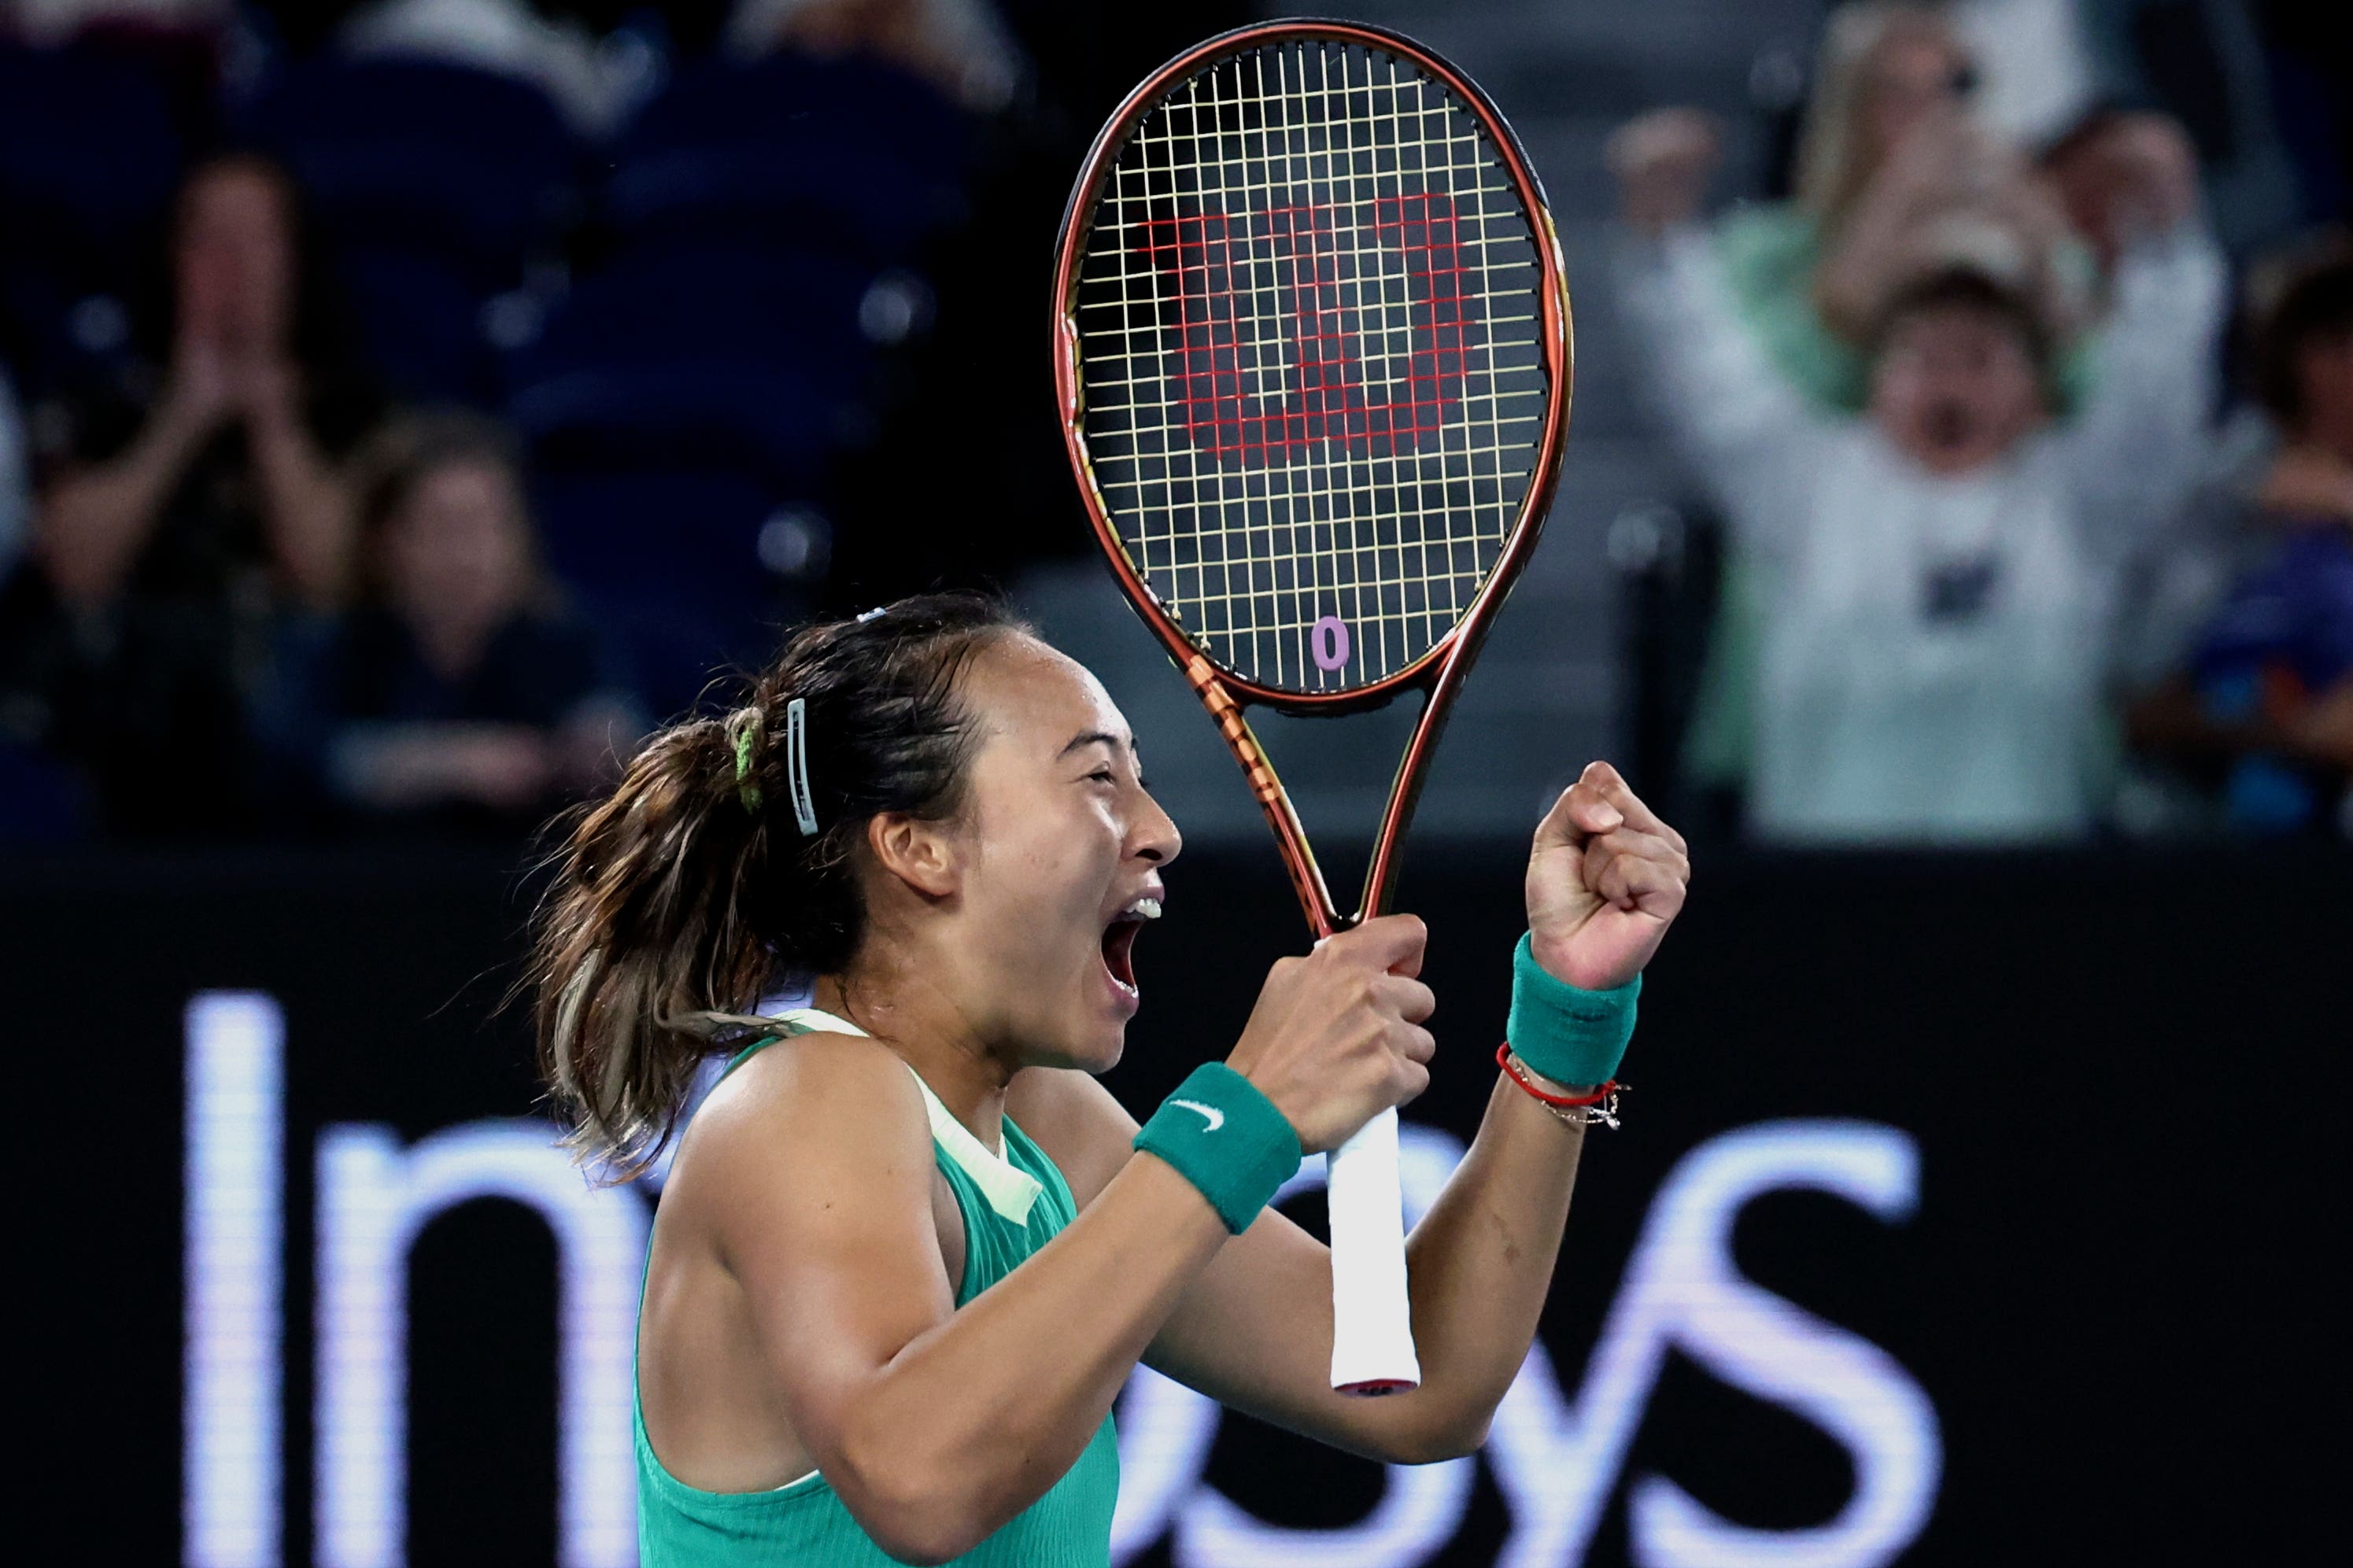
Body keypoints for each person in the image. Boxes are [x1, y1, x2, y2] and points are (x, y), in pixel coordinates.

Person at [526, 593, 1690, 1566]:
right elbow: (919, 1478)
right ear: (916, 846)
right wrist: (1248, 1113)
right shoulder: (802, 1103)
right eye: (1096, 780)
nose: (1159, 830)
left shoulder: (1039, 1124)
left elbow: (1423, 1383)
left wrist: (1562, 1023)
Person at [1613, 188, 2223, 840]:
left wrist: (2164, 251)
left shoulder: (2076, 500)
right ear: (1875, 379)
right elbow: (1711, 384)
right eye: (1925, 358)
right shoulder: (1806, 484)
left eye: (1980, 358)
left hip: (2030, 896)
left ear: (2035, 388)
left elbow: (2153, 404)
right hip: (1824, 889)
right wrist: (1664, 241)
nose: (1950, 387)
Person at [0, 151, 377, 835]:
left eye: (259, 237)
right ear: (170, 259)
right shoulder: (100, 409)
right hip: (111, 740)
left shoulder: (357, 414)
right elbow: (73, 572)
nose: (235, 264)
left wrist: (272, 422)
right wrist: (183, 415)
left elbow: (334, 580)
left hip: (304, 751)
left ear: (297, 260)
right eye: (209, 238)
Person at [253, 411, 643, 831]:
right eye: (445, 527)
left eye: (492, 527)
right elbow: (293, 760)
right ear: (384, 541)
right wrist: (448, 763)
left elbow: (617, 725)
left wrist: (601, 746)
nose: (469, 557)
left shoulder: (564, 641)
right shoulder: (331, 645)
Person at [2117, 246, 2353, 836]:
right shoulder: (2212, 498)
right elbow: (2130, 692)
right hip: (2202, 830)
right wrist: (2287, 731)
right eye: (2331, 339)